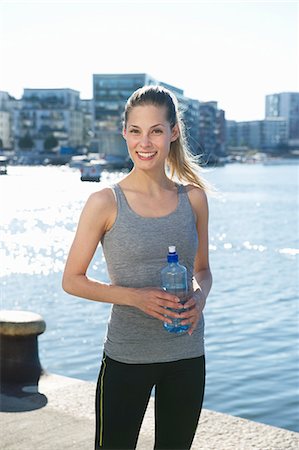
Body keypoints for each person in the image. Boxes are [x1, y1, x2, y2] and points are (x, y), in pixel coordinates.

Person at [62, 85, 213, 450]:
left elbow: (203, 270)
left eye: (156, 130)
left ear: (173, 133)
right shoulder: (104, 202)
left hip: (187, 356)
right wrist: (135, 297)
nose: (145, 142)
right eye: (136, 131)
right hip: (126, 356)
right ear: (125, 133)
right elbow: (72, 280)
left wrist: (200, 296)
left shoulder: (193, 198)